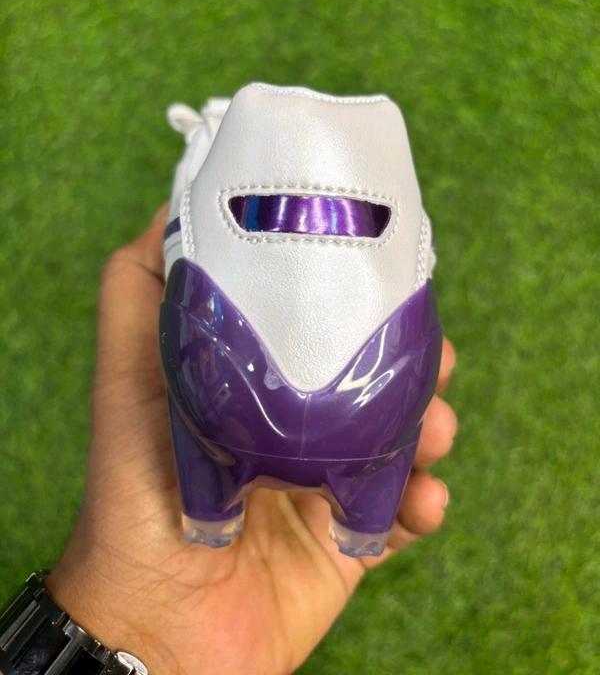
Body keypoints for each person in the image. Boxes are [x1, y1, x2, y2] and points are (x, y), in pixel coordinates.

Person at [44, 206, 458, 675]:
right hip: (374, 420)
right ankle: (366, 520)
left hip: (219, 412)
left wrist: (147, 633)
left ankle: (210, 512)